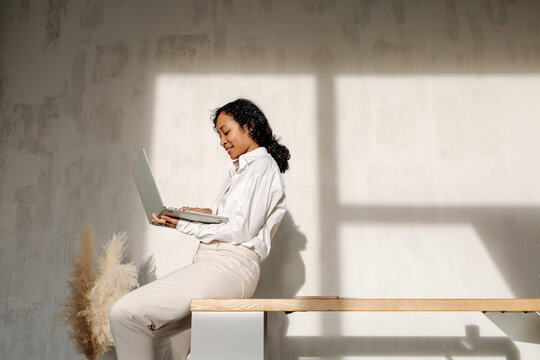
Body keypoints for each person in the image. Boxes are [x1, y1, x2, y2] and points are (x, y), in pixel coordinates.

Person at [109, 98, 290, 360]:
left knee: (125, 313)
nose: (222, 141)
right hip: (215, 266)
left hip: (229, 267)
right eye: (218, 135)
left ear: (249, 126)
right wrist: (189, 213)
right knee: (162, 342)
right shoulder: (239, 171)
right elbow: (225, 216)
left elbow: (239, 230)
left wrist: (182, 224)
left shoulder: (262, 167)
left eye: (225, 131)